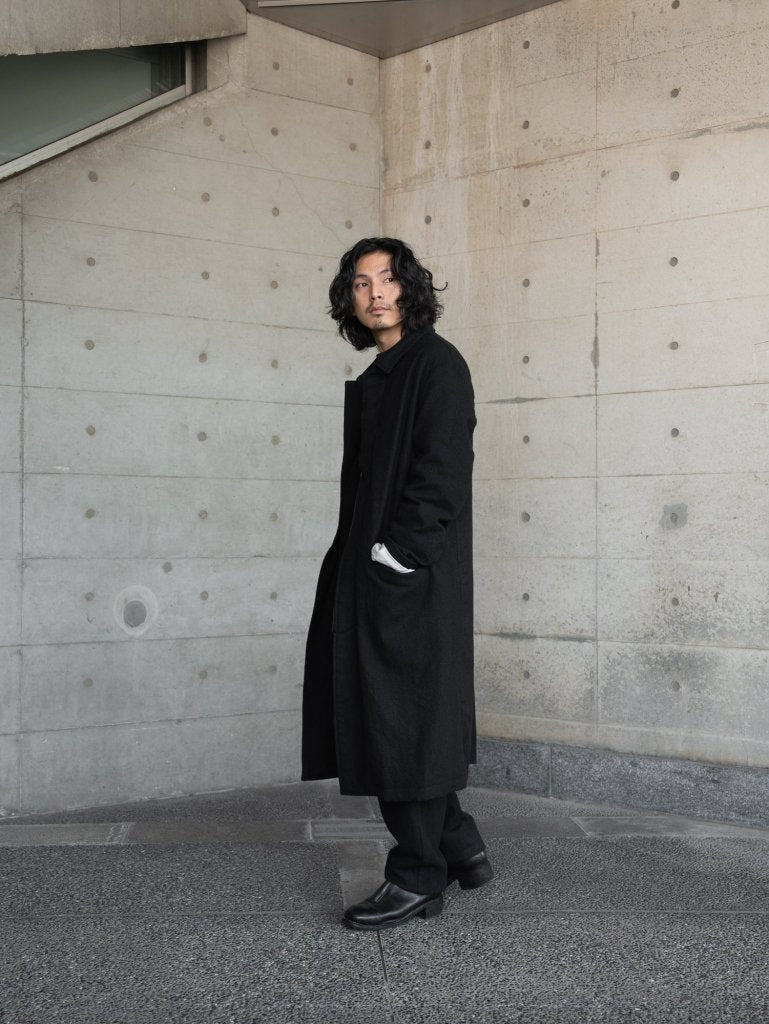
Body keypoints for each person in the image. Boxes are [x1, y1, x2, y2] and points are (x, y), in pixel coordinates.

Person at [301, 237, 493, 931]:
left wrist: (399, 555)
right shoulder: (388, 369)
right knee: (396, 716)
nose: (375, 292)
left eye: (387, 278)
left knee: (399, 724)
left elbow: (443, 470)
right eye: (361, 283)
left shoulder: (435, 364)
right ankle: (460, 845)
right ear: (349, 299)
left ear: (410, 288)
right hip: (378, 572)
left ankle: (417, 876)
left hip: (407, 580)